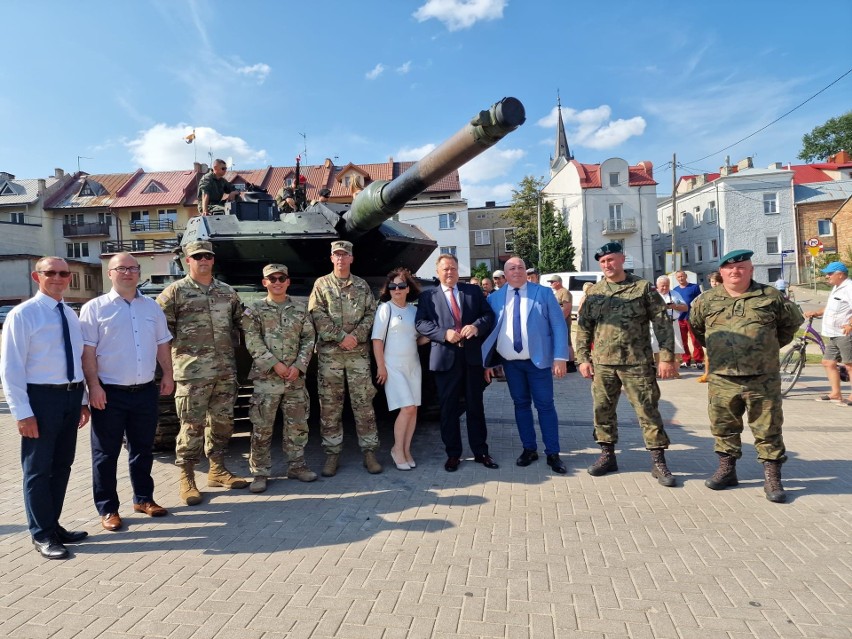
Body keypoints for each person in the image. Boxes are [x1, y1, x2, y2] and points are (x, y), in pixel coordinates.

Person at [689, 250, 803, 503]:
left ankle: (772, 478)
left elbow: (791, 325)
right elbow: (698, 330)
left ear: (751, 270)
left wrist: (766, 347)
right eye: (729, 268)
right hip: (722, 378)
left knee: (768, 428)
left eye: (741, 267)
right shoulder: (706, 300)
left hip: (762, 378)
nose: (735, 271)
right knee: (723, 426)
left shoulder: (770, 296)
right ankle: (727, 471)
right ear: (722, 272)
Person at [0, 257, 90, 559]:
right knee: (38, 470)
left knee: (61, 466)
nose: (58, 278)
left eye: (63, 273)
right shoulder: (23, 315)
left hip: (69, 397)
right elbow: (11, 368)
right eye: (50, 273)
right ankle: (41, 534)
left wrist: (81, 400)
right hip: (40, 400)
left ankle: (53, 525)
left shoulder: (69, 313)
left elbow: (76, 360)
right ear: (36, 277)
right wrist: (22, 412)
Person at [80, 253, 173, 531]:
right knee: (106, 454)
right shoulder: (95, 308)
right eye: (121, 268)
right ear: (110, 273)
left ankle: (144, 499)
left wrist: (167, 374)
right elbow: (88, 353)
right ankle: (108, 509)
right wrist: (93, 387)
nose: (128, 273)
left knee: (142, 449)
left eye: (133, 268)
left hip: (144, 390)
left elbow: (162, 344)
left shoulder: (152, 307)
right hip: (108, 392)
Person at [575, 242, 678, 487]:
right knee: (602, 411)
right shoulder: (595, 292)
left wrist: (666, 357)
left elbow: (662, 323)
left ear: (622, 259)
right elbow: (584, 328)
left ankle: (658, 460)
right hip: (603, 365)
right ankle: (607, 456)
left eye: (611, 260)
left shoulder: (642, 288)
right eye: (602, 262)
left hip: (636, 363)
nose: (607, 265)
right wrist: (582, 359)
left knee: (648, 411)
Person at [157, 240, 248, 506]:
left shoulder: (227, 292)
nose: (203, 261)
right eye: (198, 257)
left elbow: (243, 323)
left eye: (207, 256)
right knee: (191, 426)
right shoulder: (174, 293)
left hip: (224, 371)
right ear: (188, 261)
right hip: (192, 373)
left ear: (213, 260)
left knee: (222, 423)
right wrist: (168, 369)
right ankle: (187, 477)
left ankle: (217, 470)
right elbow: (162, 334)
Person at [482, 258, 569, 473]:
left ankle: (553, 453)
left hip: (538, 362)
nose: (517, 271)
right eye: (512, 268)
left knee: (545, 406)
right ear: (505, 274)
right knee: (520, 405)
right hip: (511, 365)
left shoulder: (543, 293)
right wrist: (489, 362)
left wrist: (560, 357)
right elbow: (490, 331)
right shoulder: (495, 298)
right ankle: (529, 448)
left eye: (521, 267)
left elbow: (558, 325)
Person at [416, 253, 496, 472]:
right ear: (437, 272)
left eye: (452, 268)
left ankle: (481, 451)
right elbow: (421, 323)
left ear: (458, 270)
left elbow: (489, 315)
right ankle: (453, 454)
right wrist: (444, 334)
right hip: (445, 358)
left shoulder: (472, 291)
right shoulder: (428, 296)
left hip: (471, 359)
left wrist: (477, 326)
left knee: (475, 407)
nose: (449, 272)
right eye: (445, 269)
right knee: (448, 409)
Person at [308, 240, 382, 476]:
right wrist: (341, 336)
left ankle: (369, 452)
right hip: (331, 356)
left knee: (364, 404)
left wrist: (356, 336)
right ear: (331, 259)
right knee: (330, 406)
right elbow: (316, 314)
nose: (340, 259)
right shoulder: (321, 285)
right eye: (336, 255)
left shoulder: (361, 286)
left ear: (351, 258)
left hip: (357, 354)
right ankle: (332, 454)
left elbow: (372, 314)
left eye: (345, 255)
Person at [242, 264, 317, 493]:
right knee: (262, 428)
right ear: (264, 282)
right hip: (267, 379)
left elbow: (309, 339)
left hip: (295, 379)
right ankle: (260, 473)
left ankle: (296, 466)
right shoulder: (254, 310)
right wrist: (275, 364)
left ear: (288, 281)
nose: (276, 282)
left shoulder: (300, 309)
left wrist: (299, 365)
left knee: (297, 426)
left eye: (281, 278)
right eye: (271, 278)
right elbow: (252, 341)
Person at [372, 268, 429, 470]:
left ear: (408, 289)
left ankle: (406, 450)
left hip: (412, 365)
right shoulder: (385, 309)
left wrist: (434, 333)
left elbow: (419, 340)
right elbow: (377, 340)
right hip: (392, 365)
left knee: (413, 410)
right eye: (393, 286)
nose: (397, 289)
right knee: (406, 408)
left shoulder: (414, 311)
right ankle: (397, 449)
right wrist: (381, 367)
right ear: (388, 289)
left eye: (401, 286)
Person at [804, 261, 852, 405]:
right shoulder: (837, 287)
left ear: (840, 274)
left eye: (830, 273)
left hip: (844, 333)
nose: (827, 276)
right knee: (828, 362)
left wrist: (850, 324)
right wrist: (816, 312)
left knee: (849, 364)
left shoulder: (849, 287)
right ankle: (836, 393)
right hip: (833, 334)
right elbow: (831, 307)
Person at [651, 275, 686, 374]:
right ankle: (659, 371)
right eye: (662, 286)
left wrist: (675, 306)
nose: (665, 288)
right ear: (657, 286)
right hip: (657, 324)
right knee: (656, 347)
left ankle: (675, 371)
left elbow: (685, 308)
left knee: (676, 346)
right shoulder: (652, 295)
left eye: (667, 285)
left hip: (672, 322)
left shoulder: (675, 294)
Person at [547, 274, 577, 373]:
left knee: (567, 342)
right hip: (558, 321)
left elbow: (566, 308)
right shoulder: (557, 293)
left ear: (558, 282)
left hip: (563, 321)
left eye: (552, 282)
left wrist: (559, 321)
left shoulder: (565, 292)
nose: (550, 284)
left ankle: (571, 364)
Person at [673, 270, 704, 368]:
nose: (681, 278)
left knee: (695, 340)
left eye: (682, 276)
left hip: (691, 318)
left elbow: (699, 301)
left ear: (686, 276)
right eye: (678, 277)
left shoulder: (694, 287)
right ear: (676, 278)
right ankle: (686, 360)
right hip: (680, 318)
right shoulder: (675, 290)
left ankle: (699, 360)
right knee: (683, 341)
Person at [696, 271, 723, 383]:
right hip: (711, 328)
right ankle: (707, 373)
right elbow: (697, 315)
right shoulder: (706, 296)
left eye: (717, 281)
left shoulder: (729, 295)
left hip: (725, 328)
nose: (714, 284)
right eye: (712, 281)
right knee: (709, 352)